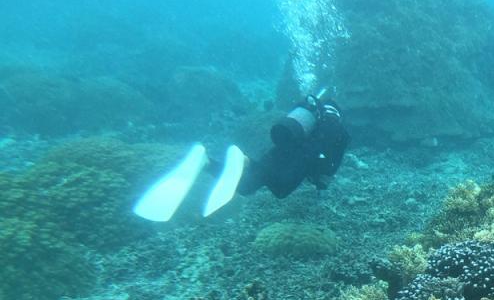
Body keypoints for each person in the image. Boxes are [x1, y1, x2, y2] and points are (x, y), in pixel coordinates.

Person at [133, 92, 350, 222]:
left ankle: (208, 161)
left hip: (279, 150)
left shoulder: (309, 113)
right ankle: (237, 161)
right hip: (300, 159)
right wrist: (321, 179)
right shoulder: (336, 128)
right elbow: (331, 164)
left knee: (248, 186)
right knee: (281, 189)